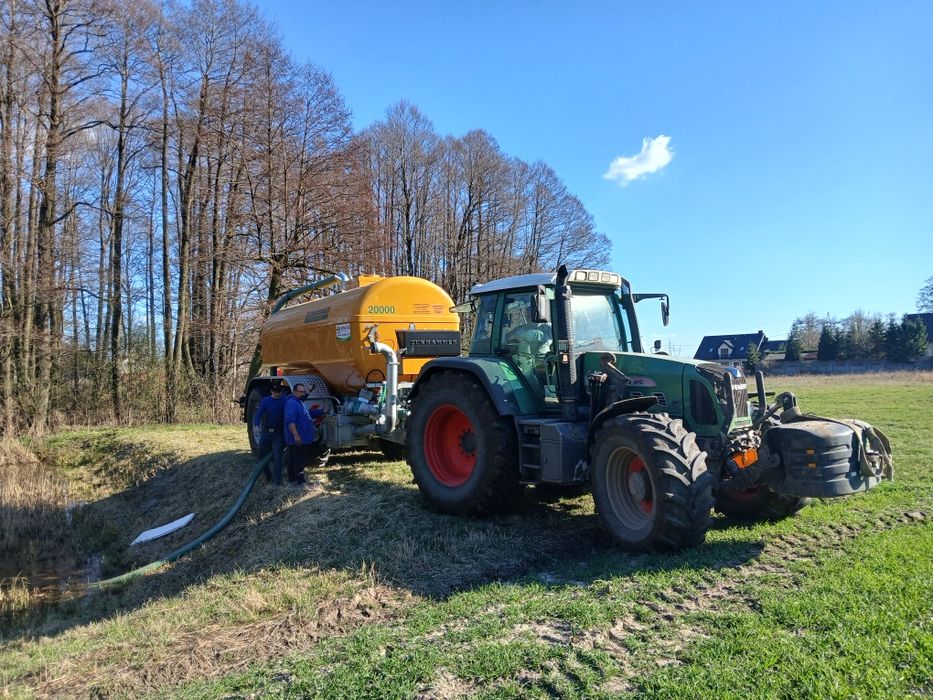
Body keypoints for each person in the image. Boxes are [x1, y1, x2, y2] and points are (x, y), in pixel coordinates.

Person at [283, 383, 325, 485]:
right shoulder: (291, 403)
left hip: (303, 437)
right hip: (298, 438)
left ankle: (292, 479)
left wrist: (321, 412)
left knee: (294, 459)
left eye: (304, 391)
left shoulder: (299, 402)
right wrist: (296, 435)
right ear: (294, 392)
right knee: (299, 460)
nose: (303, 394)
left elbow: (306, 413)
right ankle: (300, 481)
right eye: (301, 392)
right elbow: (290, 421)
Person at [253, 381, 287, 484]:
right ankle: (268, 476)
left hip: (278, 433)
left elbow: (298, 401)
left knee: (277, 457)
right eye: (275, 391)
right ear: (271, 391)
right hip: (266, 433)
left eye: (279, 391)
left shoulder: (284, 400)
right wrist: (256, 426)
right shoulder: (266, 401)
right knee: (261, 456)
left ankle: (277, 481)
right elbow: (258, 415)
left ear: (281, 391)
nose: (277, 394)